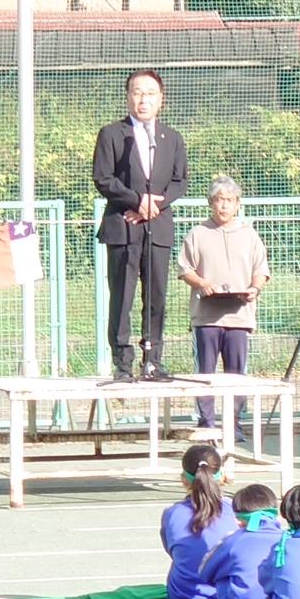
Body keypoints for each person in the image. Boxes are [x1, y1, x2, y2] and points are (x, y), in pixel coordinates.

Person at [92, 68, 189, 382]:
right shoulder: (112, 134)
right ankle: (122, 362)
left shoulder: (171, 138)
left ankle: (153, 359)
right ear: (127, 97)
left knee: (157, 295)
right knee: (122, 296)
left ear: (161, 99)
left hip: (157, 227)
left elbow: (179, 181)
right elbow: (103, 179)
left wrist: (152, 206)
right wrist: (136, 201)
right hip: (122, 227)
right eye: (137, 92)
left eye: (150, 93)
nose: (143, 100)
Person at [177, 174, 270, 434]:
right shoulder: (197, 234)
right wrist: (202, 283)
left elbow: (260, 270)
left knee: (236, 373)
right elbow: (185, 269)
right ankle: (206, 422)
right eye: (219, 200)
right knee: (205, 372)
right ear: (211, 203)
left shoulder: (250, 235)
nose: (224, 206)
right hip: (206, 317)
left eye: (229, 200)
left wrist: (254, 288)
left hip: (240, 317)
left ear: (238, 203)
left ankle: (234, 424)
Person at [161, 443, 235, 599]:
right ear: (222, 475)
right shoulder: (236, 510)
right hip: (229, 598)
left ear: (183, 479)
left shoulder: (171, 513)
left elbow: (172, 551)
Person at [200, 482, 283, 599]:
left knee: (224, 573)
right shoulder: (287, 539)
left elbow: (205, 572)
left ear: (239, 519)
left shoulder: (233, 540)